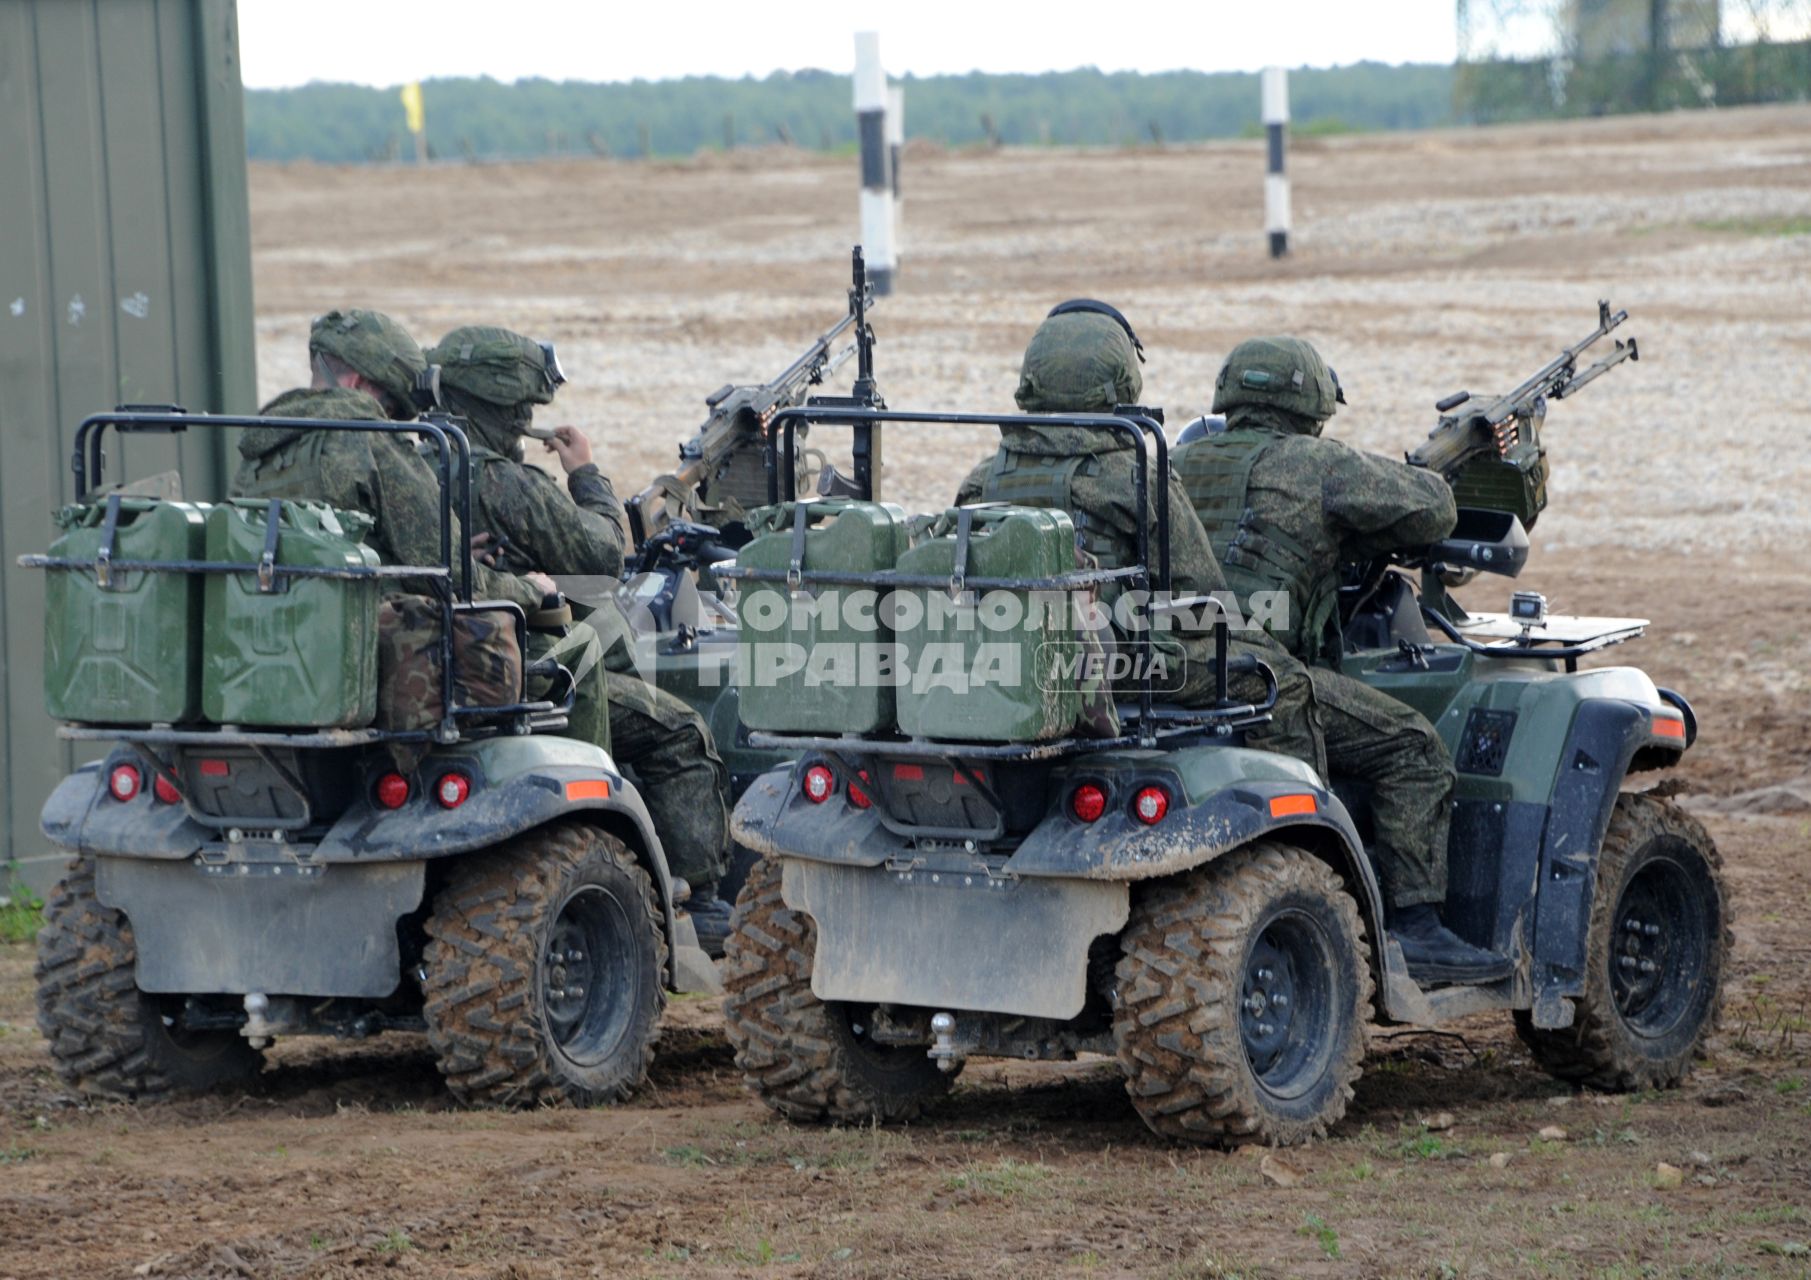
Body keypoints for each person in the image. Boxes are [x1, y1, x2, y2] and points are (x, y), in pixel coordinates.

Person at [964, 304, 1506, 985]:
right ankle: (1387, 910)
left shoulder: (986, 478)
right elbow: (1199, 596)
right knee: (1390, 735)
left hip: (1025, 677)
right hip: (1144, 669)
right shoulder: (1144, 472)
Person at [1174, 335, 1506, 984]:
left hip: (1170, 675)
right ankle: (1416, 929)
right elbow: (1432, 509)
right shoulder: (1314, 463)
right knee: (1412, 749)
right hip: (1260, 679)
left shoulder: (1175, 462)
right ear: (1309, 402)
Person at [426, 325, 734, 953]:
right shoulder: (503, 482)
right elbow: (600, 556)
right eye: (525, 410)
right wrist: (586, 474)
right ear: (508, 408)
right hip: (512, 665)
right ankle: (700, 909)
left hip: (431, 662)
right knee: (680, 733)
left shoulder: (412, 458)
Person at [234, 308, 613, 750]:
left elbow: (325, 552)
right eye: (392, 404)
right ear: (358, 382)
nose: (394, 417)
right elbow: (454, 573)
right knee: (580, 647)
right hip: (377, 656)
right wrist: (531, 588)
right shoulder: (372, 443)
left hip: (282, 648)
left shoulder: (263, 448)